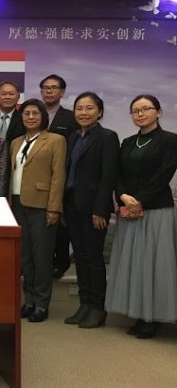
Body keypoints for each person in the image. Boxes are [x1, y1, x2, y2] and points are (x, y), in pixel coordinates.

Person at [106, 94, 177, 339]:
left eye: (146, 109)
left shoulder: (170, 141)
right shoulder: (127, 142)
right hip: (129, 208)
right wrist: (124, 196)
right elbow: (118, 175)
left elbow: (164, 174)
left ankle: (153, 317)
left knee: (154, 265)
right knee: (134, 264)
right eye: (135, 110)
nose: (140, 114)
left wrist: (141, 201)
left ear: (158, 112)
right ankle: (138, 312)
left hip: (156, 209)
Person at [63, 92, 119, 329]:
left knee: (94, 258)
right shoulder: (72, 137)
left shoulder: (107, 137)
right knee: (81, 257)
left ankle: (98, 308)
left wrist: (100, 209)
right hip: (72, 205)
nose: (83, 113)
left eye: (89, 108)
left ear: (100, 112)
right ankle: (84, 304)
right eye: (79, 109)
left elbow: (108, 176)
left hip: (94, 208)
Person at [10, 99, 66, 323]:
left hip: (42, 205)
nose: (30, 117)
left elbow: (58, 175)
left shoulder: (55, 140)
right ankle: (30, 300)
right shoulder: (15, 142)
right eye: (26, 114)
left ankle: (42, 304)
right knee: (25, 256)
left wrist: (54, 207)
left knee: (41, 256)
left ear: (43, 116)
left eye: (35, 113)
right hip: (16, 204)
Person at [39, 74, 78, 279]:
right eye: (45, 88)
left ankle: (61, 261)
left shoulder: (71, 118)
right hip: (37, 178)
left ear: (62, 92)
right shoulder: (32, 115)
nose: (49, 91)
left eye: (54, 88)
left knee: (60, 222)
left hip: (61, 177)